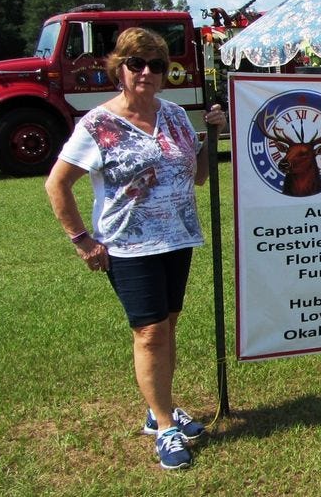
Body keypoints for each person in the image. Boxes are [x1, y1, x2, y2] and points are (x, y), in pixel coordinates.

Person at [45, 27, 227, 469]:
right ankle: (165, 428)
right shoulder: (97, 125)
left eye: (157, 65)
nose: (146, 72)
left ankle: (158, 407)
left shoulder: (177, 117)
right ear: (119, 70)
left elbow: (198, 177)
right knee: (148, 334)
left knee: (167, 326)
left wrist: (211, 136)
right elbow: (57, 184)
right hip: (128, 246)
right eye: (136, 64)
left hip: (178, 238)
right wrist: (81, 240)